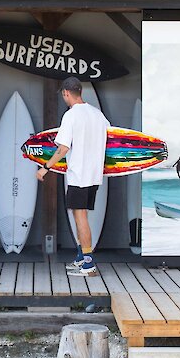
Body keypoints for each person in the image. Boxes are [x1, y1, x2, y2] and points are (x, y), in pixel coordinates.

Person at [36, 77, 109, 277]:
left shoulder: (71, 116)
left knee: (80, 218)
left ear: (66, 93)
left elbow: (63, 148)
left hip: (79, 175)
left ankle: (88, 264)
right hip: (94, 175)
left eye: (63, 94)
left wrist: (45, 167)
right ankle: (80, 257)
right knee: (80, 216)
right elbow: (111, 137)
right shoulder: (97, 114)